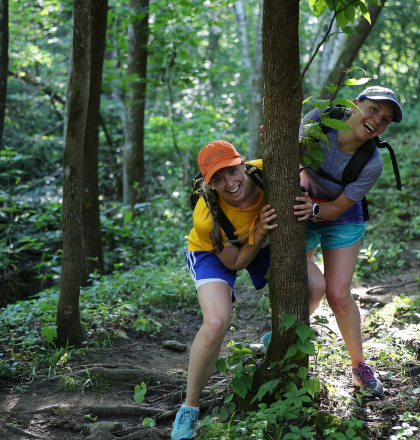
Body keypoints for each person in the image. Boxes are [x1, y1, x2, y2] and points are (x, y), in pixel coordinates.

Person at [172, 140, 310, 440]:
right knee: (216, 322)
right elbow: (234, 262)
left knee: (316, 286)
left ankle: (274, 340)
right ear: (209, 183)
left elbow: (305, 173)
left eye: (232, 171)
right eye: (218, 178)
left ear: (242, 164)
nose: (229, 183)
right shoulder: (206, 217)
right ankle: (190, 407)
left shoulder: (265, 171)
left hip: (258, 241)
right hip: (215, 253)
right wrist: (260, 230)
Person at [299, 86, 403, 397]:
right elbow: (290, 151)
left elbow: (339, 206)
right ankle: (286, 334)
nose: (376, 121)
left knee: (339, 293)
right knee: (304, 281)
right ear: (355, 104)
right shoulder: (320, 119)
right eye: (373, 110)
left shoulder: (372, 163)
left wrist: (316, 209)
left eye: (384, 120)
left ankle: (360, 366)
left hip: (340, 217)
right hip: (299, 204)